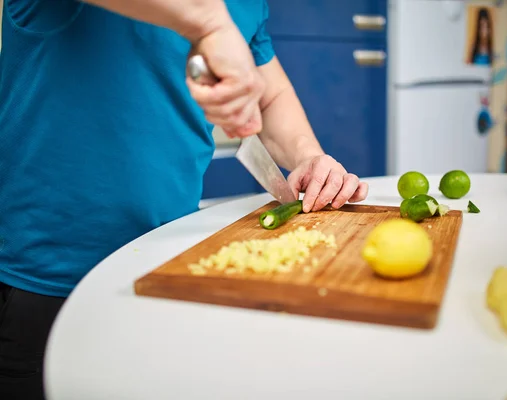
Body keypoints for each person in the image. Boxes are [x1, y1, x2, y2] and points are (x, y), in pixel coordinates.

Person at [0, 1, 368, 398]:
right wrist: (212, 25)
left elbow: (269, 95)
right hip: (44, 283)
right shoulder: (216, 15)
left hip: (168, 265)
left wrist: (307, 155)